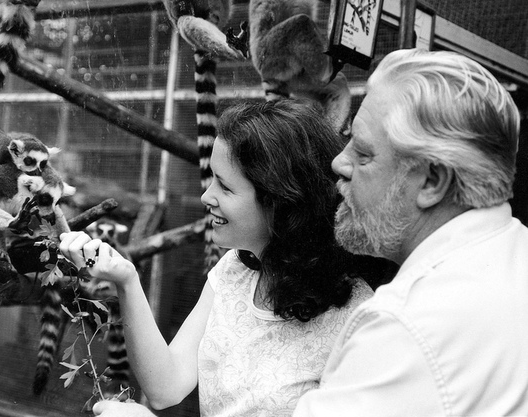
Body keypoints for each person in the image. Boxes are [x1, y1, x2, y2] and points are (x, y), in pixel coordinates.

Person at [59, 99, 374, 416]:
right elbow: (165, 387)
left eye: (224, 186)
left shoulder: (359, 319)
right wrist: (127, 280)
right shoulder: (234, 270)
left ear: (278, 201)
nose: (206, 196)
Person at [293, 48, 528, 416]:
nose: (339, 162)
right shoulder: (513, 252)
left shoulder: (406, 326)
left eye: (364, 154)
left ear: (432, 181)